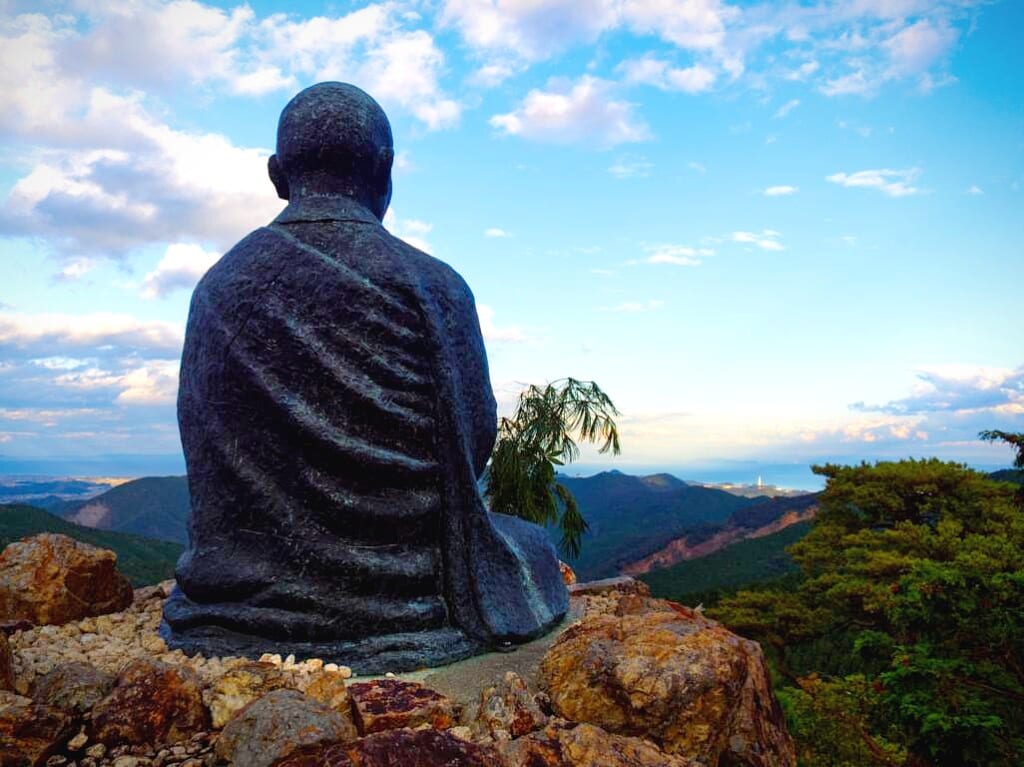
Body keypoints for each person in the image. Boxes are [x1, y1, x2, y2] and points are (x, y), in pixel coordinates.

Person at [161, 82, 568, 672]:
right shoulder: (433, 284)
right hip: (408, 598)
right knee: (530, 544)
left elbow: (202, 439)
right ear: (385, 170)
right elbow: (474, 440)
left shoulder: (218, 288)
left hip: (233, 597)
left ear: (277, 174)